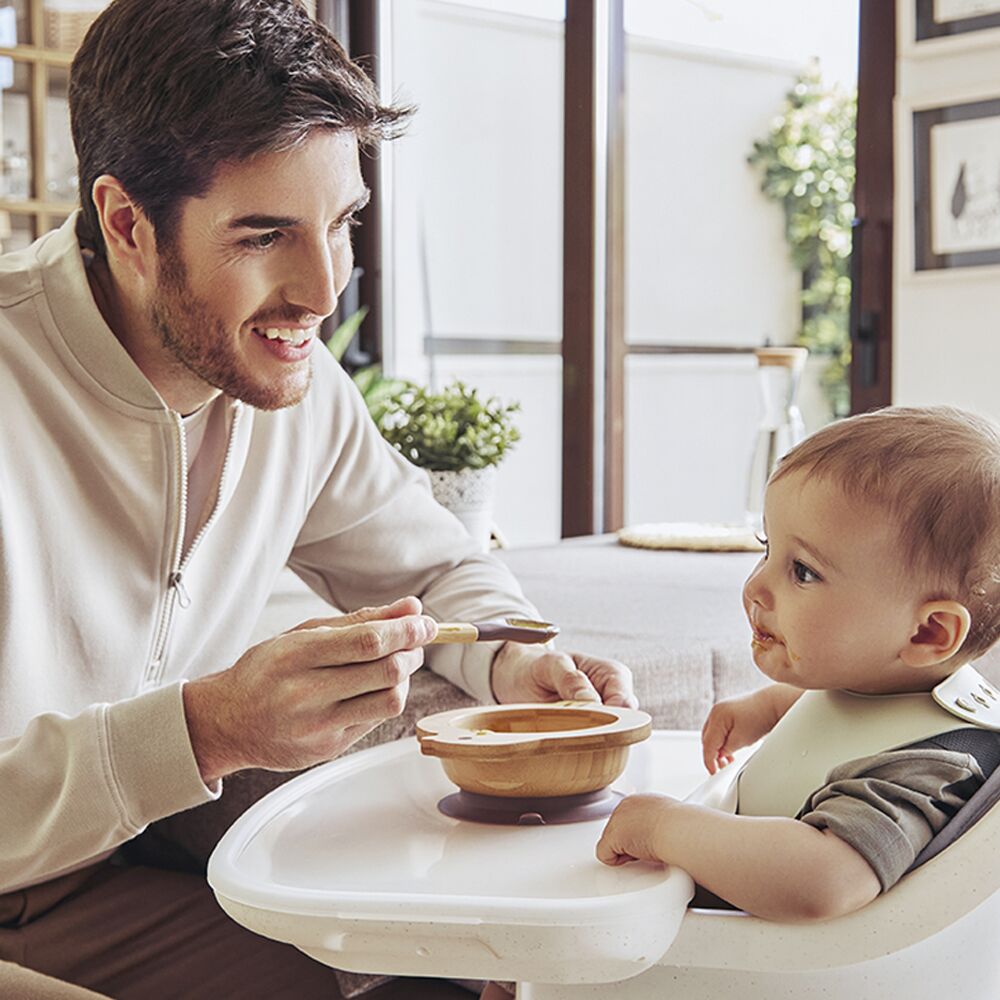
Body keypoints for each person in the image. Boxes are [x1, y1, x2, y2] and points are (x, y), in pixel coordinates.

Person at [0, 1, 635, 997]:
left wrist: (515, 659)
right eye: (264, 236)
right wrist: (206, 729)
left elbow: (431, 562)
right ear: (127, 223)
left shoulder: (289, 380)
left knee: (455, 954)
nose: (323, 288)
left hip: (142, 850)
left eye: (341, 224)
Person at [596, 405, 1000, 921]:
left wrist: (663, 827)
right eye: (766, 549)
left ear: (927, 632)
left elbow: (824, 880)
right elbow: (851, 710)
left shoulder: (934, 764)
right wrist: (764, 709)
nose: (754, 587)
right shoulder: (891, 683)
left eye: (803, 572)